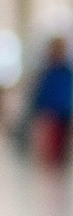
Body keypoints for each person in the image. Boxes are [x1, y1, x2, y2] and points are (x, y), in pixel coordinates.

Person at [33, 37, 72, 169]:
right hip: (49, 111)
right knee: (49, 144)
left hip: (64, 111)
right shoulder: (47, 72)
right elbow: (41, 92)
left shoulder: (67, 72)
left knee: (61, 144)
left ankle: (58, 167)